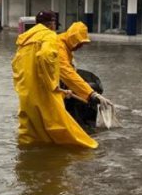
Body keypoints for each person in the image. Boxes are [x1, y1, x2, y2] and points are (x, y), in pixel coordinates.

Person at [12, 11, 98, 150]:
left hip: (25, 92)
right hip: (44, 92)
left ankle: (29, 158)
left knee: (30, 132)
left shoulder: (24, 40)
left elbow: (16, 65)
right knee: (60, 126)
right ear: (52, 24)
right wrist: (52, 84)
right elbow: (46, 56)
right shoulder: (49, 36)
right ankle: (88, 150)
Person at [57, 21, 113, 117]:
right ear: (73, 40)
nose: (81, 47)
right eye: (80, 43)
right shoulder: (59, 48)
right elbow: (68, 74)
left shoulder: (65, 45)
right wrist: (91, 94)